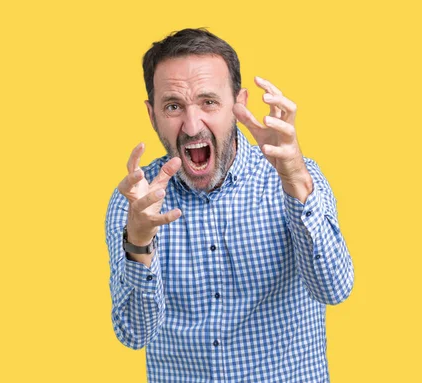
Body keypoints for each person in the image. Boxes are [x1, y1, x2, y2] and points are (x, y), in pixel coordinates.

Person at [105, 28, 354, 382]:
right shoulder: (135, 202)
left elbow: (335, 288)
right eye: (173, 106)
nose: (192, 126)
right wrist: (139, 244)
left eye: (209, 102)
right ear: (152, 114)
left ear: (238, 105)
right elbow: (133, 334)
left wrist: (295, 179)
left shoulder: (292, 178)